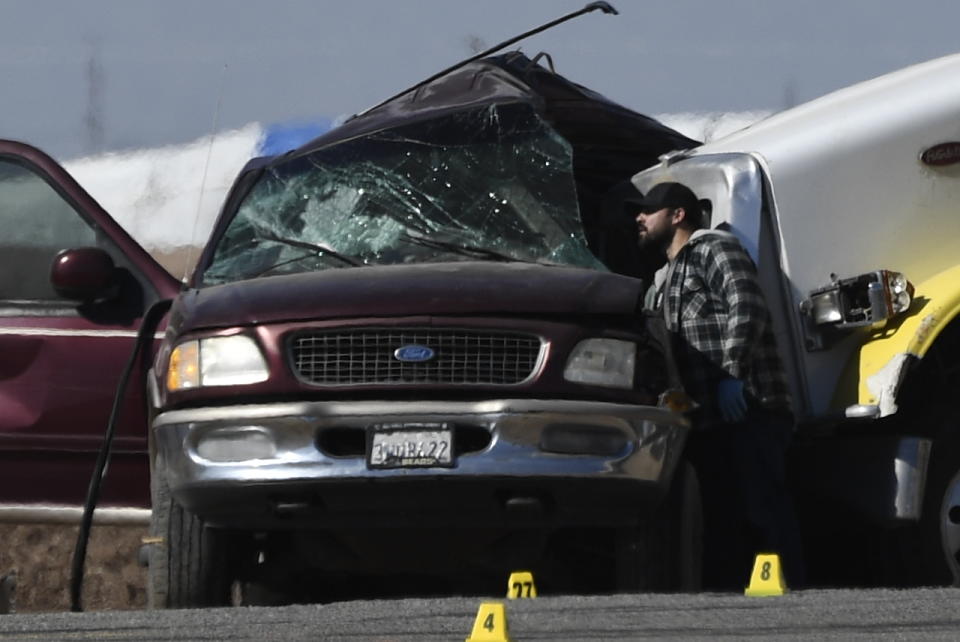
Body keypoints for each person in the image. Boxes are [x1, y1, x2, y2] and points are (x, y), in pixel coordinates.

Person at [634, 181, 805, 591]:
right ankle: (733, 610)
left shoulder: (715, 248)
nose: (638, 218)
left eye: (649, 210)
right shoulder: (663, 279)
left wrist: (732, 374)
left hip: (749, 405)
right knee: (722, 518)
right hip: (705, 418)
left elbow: (746, 304)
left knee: (761, 508)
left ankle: (794, 604)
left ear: (678, 215)